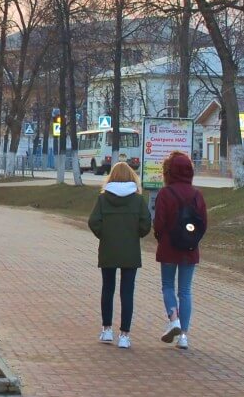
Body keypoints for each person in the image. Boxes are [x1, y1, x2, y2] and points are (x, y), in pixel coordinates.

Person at [88, 161, 151, 349]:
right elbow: (146, 224)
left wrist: (105, 235)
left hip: (108, 249)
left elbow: (93, 221)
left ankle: (107, 330)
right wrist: (135, 234)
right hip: (130, 251)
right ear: (132, 177)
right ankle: (124, 335)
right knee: (127, 292)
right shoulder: (138, 200)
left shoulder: (103, 199)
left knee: (108, 289)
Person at [152, 150, 207, 350]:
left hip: (168, 247)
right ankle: (183, 336)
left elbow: (158, 223)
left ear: (168, 171)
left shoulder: (165, 194)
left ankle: (173, 319)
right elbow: (204, 224)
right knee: (185, 291)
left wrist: (161, 238)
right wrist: (193, 240)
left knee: (167, 285)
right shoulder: (197, 194)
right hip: (190, 248)